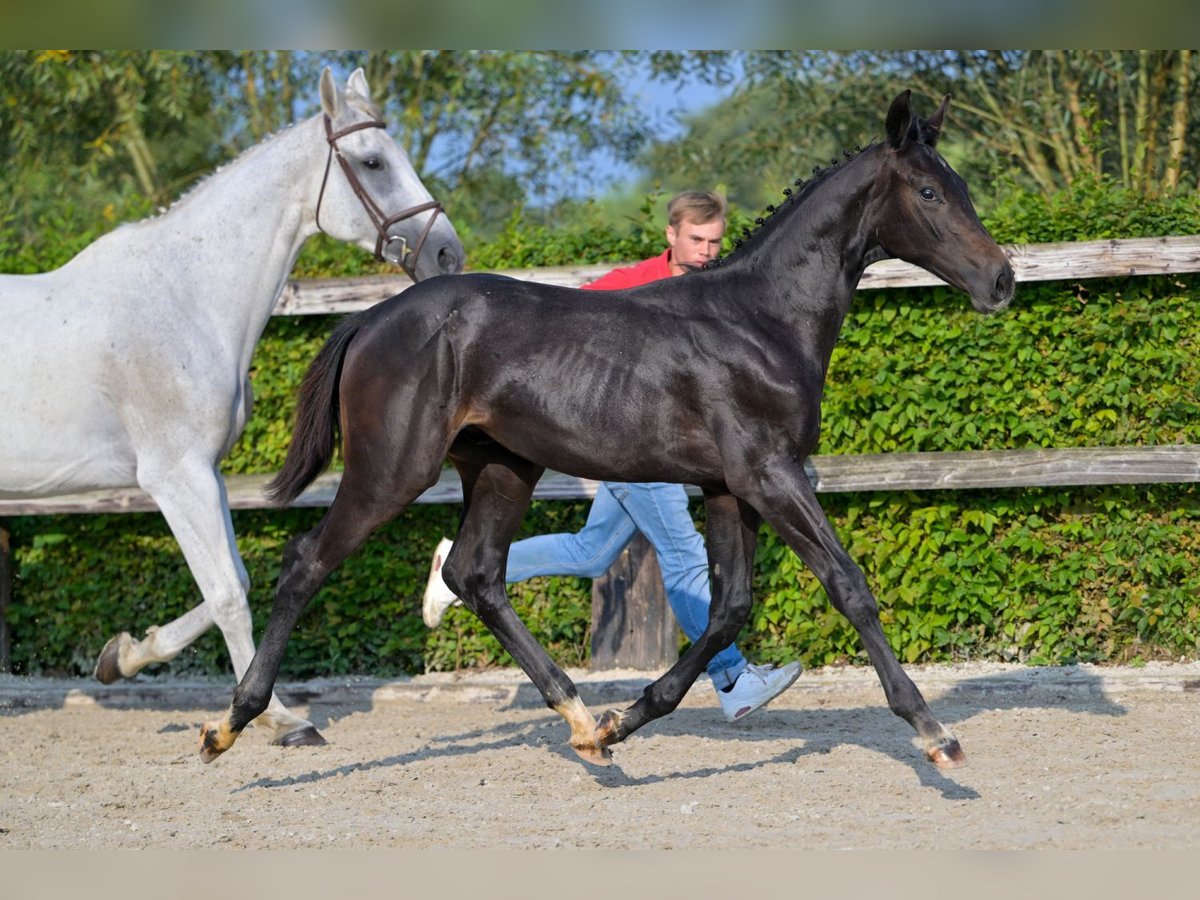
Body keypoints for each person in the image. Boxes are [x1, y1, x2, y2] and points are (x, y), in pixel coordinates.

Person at [422, 190, 801, 723]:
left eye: (715, 241)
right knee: (687, 555)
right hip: (633, 444)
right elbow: (564, 324)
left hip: (666, 446)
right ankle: (733, 677)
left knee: (591, 551)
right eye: (697, 239)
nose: (707, 251)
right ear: (672, 235)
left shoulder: (715, 291)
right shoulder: (631, 282)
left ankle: (449, 568)